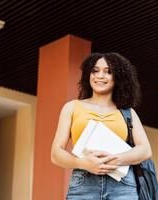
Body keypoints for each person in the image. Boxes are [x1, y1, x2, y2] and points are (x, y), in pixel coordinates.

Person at [51, 52, 152, 200]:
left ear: (117, 78)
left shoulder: (127, 112)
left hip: (123, 185)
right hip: (84, 184)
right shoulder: (72, 107)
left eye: (108, 71)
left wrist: (116, 159)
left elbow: (145, 150)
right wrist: (84, 163)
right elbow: (56, 153)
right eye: (95, 70)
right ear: (88, 75)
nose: (100, 76)